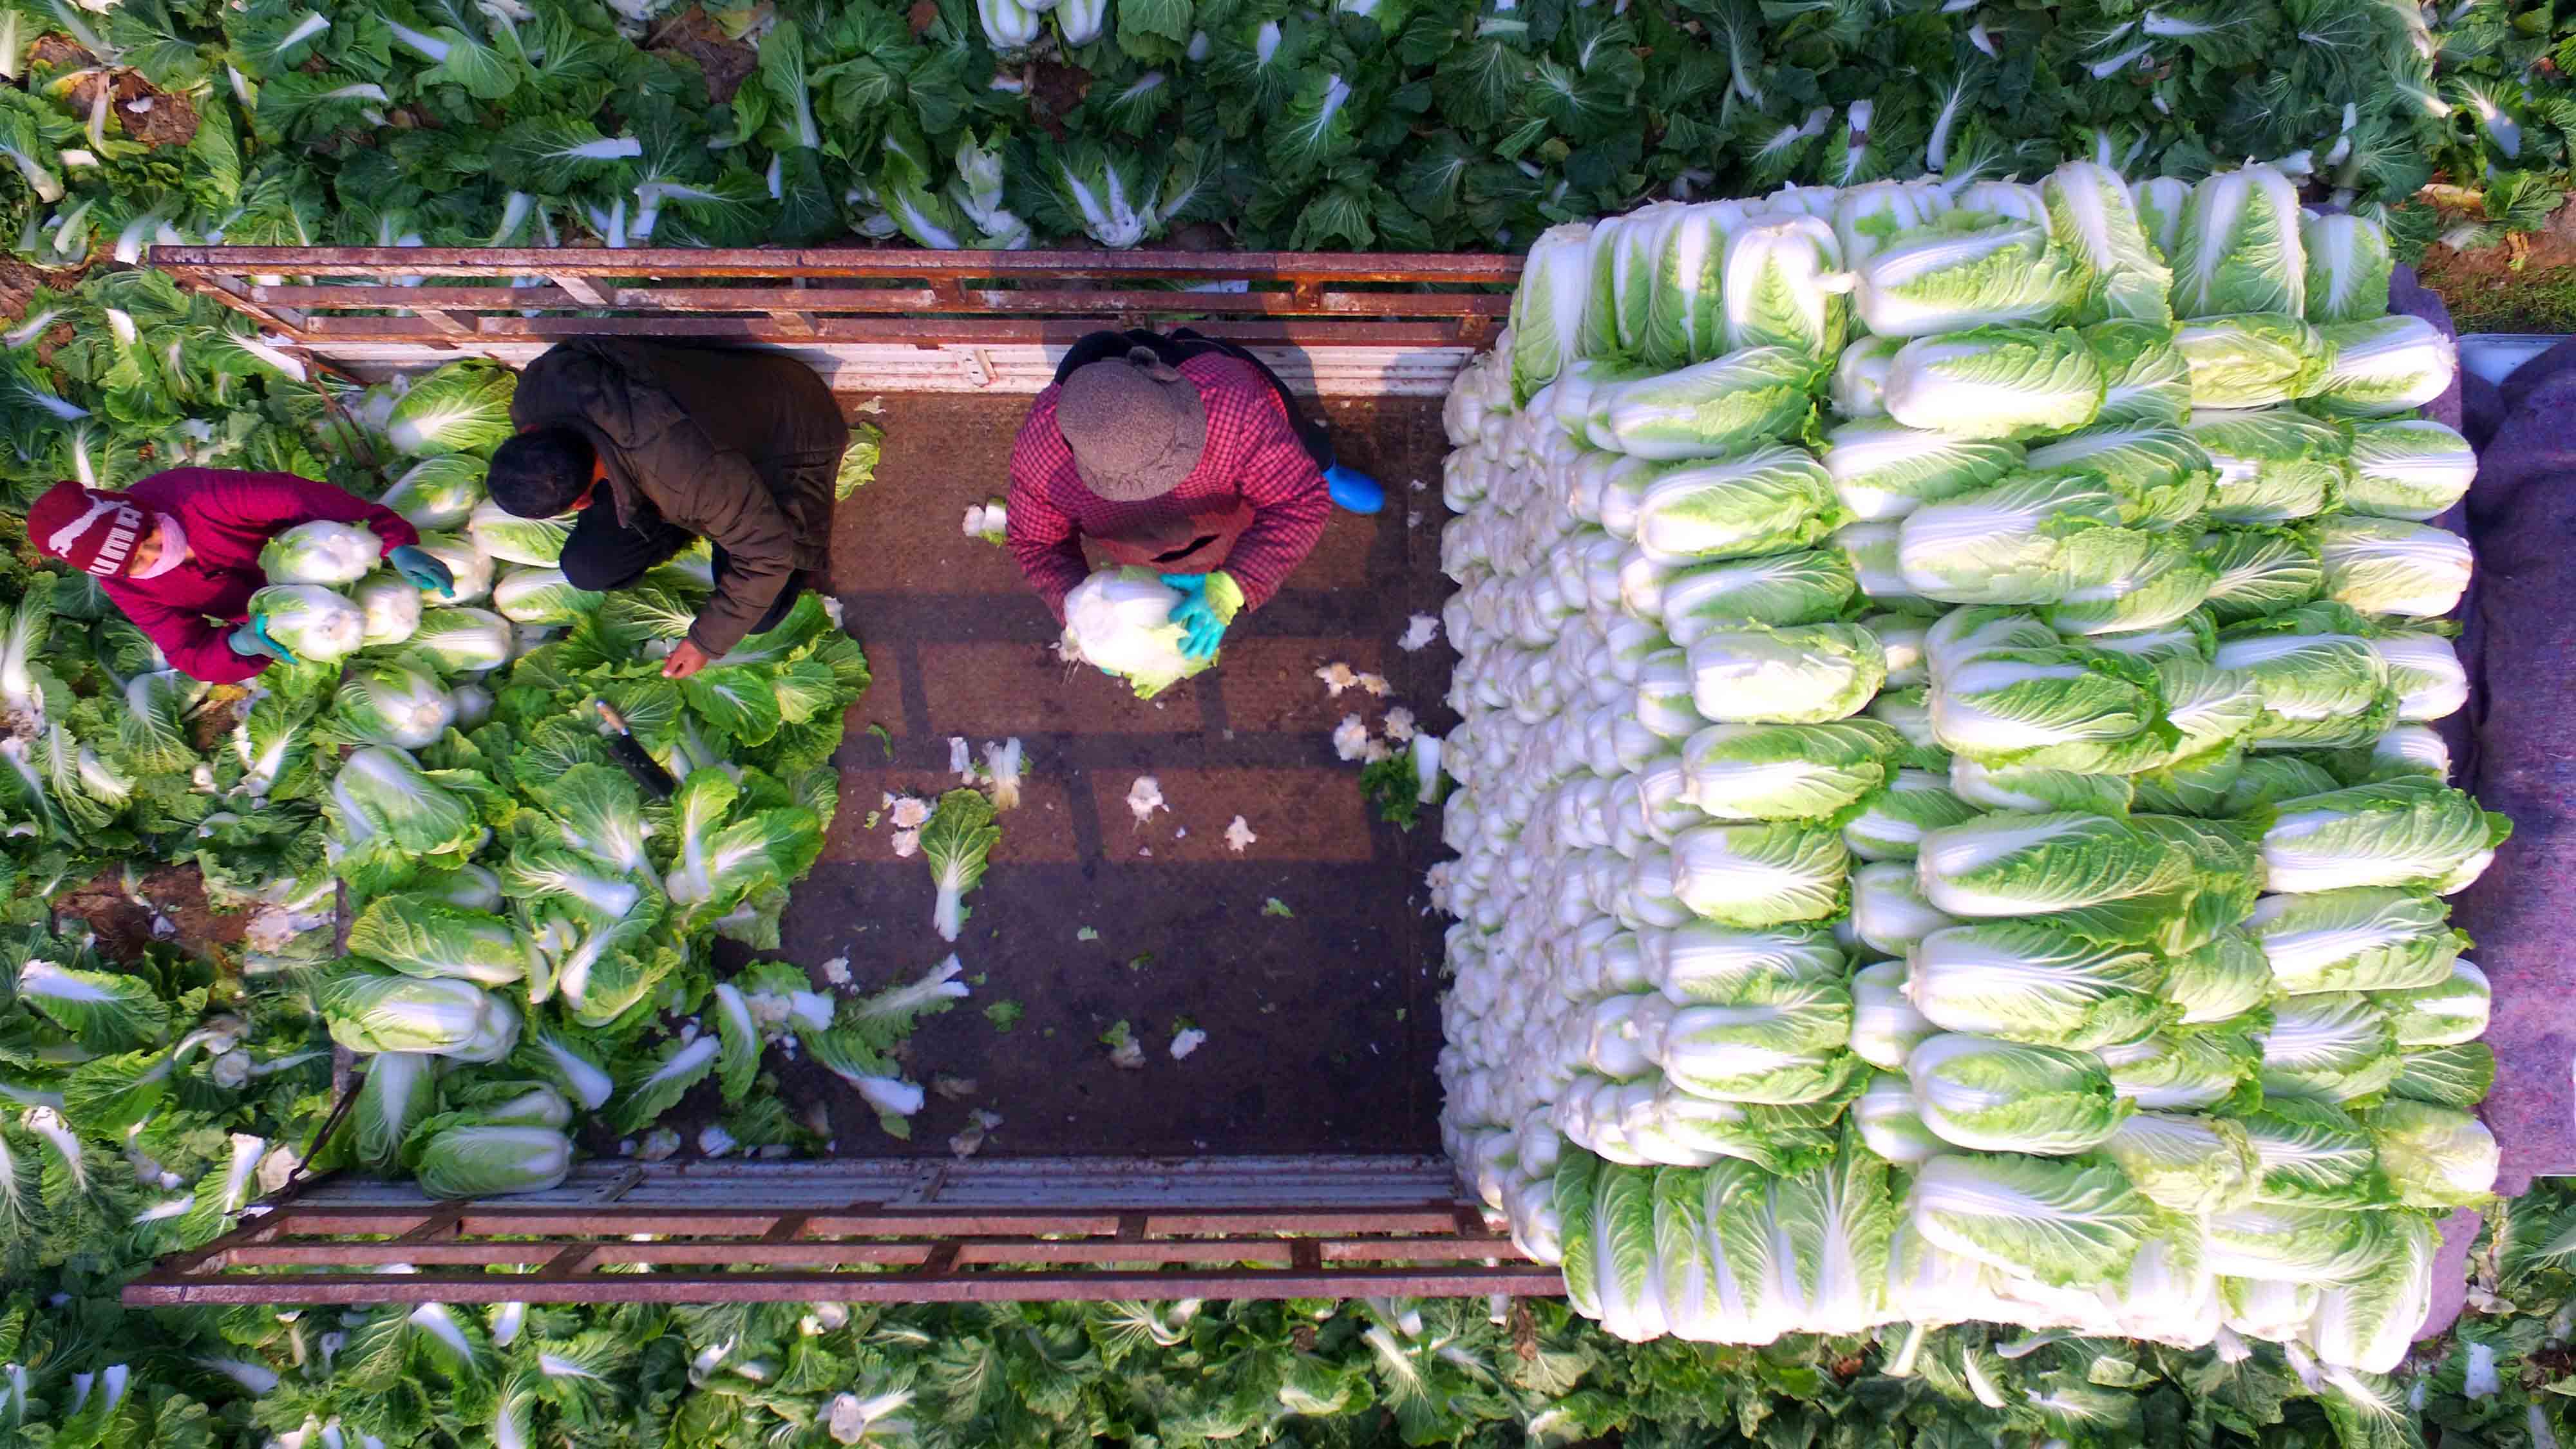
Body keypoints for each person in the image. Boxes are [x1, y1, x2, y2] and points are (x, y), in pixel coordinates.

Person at [1005, 327, 1382, 661]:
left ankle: (1329, 472)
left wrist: (1236, 585)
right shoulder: (1043, 453)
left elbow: (1296, 499)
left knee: (1303, 454)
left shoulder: (1230, 397)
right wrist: (1083, 614)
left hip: (1259, 436)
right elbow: (1037, 543)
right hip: (1146, 537)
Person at [488, 339, 846, 680]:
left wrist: (704, 643)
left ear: (582, 501)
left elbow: (768, 557)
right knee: (589, 568)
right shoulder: (535, 393)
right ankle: (692, 522)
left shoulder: (692, 477)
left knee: (762, 612)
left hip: (787, 434)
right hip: (689, 433)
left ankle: (715, 522)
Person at [26, 470, 452, 685]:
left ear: (139, 510)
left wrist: (391, 541)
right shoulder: (126, 587)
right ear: (116, 574)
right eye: (137, 561)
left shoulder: (191, 495)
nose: (154, 553)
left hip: (333, 556)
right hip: (301, 617)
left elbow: (298, 497)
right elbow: (187, 652)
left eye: (149, 535)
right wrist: (238, 646)